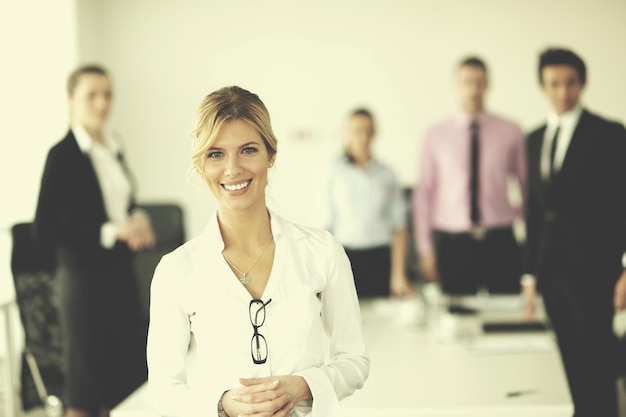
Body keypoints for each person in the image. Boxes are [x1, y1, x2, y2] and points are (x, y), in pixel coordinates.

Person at [146, 86, 369, 417]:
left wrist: (304, 385)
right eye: (216, 154)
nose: (233, 169)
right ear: (201, 165)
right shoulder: (176, 270)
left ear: (271, 155)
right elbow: (163, 390)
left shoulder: (320, 251)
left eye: (248, 150)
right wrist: (221, 405)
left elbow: (354, 361)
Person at [34, 64, 156, 417]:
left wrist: (137, 218)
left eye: (108, 94)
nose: (102, 103)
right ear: (71, 100)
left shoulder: (113, 144)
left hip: (120, 274)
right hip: (84, 282)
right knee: (86, 388)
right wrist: (109, 231)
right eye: (92, 95)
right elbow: (45, 229)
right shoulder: (62, 155)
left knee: (129, 376)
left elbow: (122, 202)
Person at [523, 47, 626, 417]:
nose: (562, 92)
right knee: (564, 367)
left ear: (582, 84)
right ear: (542, 86)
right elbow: (535, 212)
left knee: (597, 367)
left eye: (570, 83)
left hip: (596, 271)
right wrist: (530, 276)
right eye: (553, 84)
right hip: (552, 274)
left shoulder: (610, 134)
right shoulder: (533, 138)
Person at [413, 56, 527, 297]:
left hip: (500, 241)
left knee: (505, 315)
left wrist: (514, 213)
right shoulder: (435, 135)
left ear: (488, 85)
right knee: (456, 318)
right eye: (467, 82)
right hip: (454, 243)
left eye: (479, 82)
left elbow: (527, 184)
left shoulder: (511, 131)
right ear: (456, 85)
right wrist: (425, 249)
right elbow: (424, 193)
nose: (474, 89)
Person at [325, 108, 414, 298]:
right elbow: (326, 227)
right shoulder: (334, 173)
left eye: (368, 130)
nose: (363, 137)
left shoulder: (387, 174)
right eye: (357, 131)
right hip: (345, 257)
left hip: (380, 257)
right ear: (346, 134)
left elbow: (400, 228)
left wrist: (398, 275)